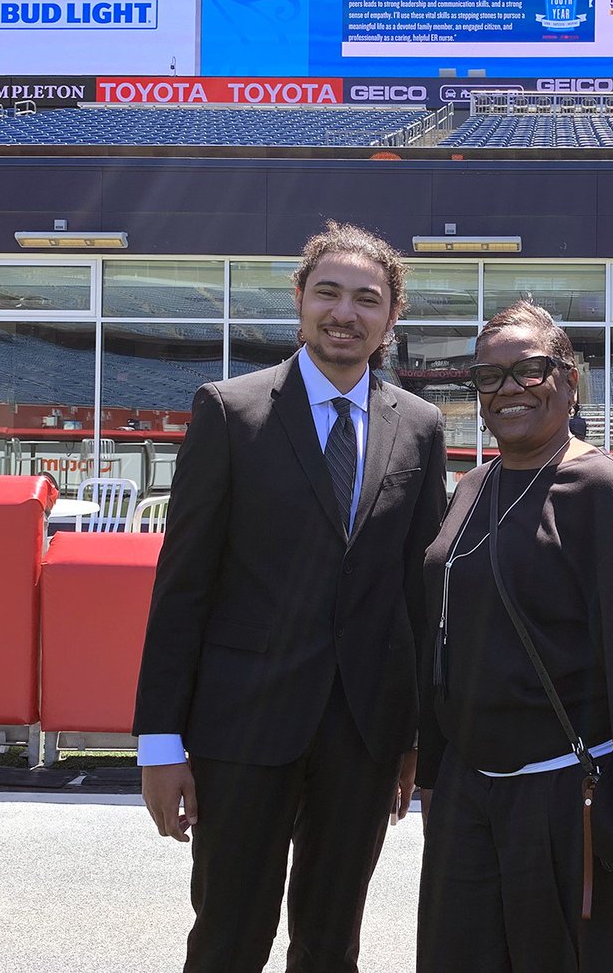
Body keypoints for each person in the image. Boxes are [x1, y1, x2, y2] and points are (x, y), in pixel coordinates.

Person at [132, 220, 447, 973]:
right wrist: (158, 742)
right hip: (242, 727)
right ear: (299, 300)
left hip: (365, 734)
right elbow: (182, 589)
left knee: (332, 943)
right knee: (228, 937)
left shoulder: (422, 427)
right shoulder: (230, 411)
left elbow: (419, 594)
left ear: (391, 316)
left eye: (366, 299)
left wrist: (414, 737)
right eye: (328, 292)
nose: (345, 312)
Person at [416, 300, 613, 973]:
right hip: (471, 796)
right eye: (488, 377)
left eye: (530, 370)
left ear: (569, 380)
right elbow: (446, 641)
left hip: (567, 798)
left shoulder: (601, 488)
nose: (508, 388)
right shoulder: (472, 484)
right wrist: (436, 778)